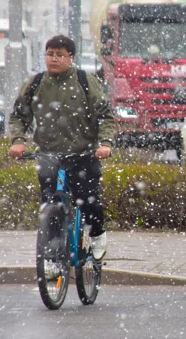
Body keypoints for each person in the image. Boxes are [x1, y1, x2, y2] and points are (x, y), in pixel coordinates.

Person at [8, 35, 115, 261]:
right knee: (50, 205)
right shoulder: (35, 84)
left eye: (59, 55)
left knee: (88, 200)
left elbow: (105, 116)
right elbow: (19, 116)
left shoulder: (85, 81)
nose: (53, 59)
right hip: (48, 154)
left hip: (83, 154)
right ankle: (53, 258)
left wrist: (105, 144)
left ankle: (97, 234)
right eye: (50, 54)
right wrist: (18, 140)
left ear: (71, 58)